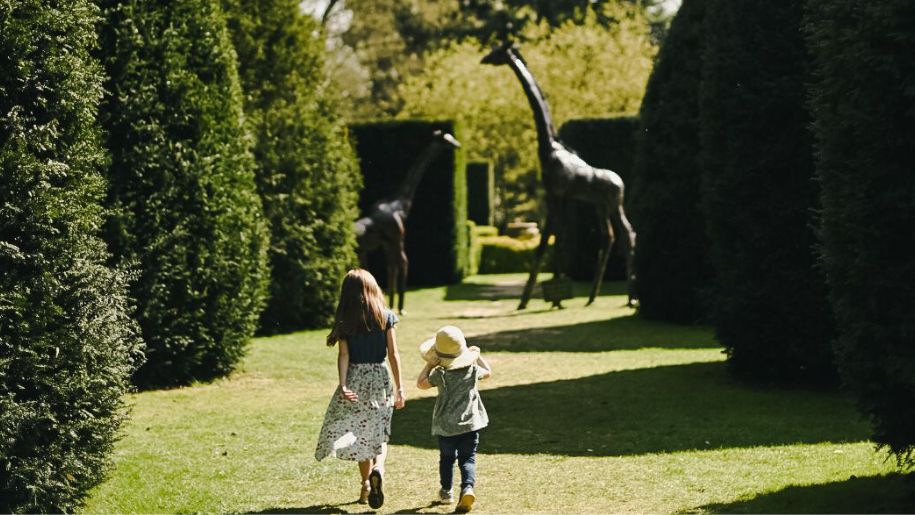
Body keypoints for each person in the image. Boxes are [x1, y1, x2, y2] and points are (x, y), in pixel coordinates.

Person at [315, 269, 406, 509]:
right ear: (373, 288)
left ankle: (366, 485)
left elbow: (343, 355)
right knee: (380, 431)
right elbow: (393, 354)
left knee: (361, 433)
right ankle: (379, 468)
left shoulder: (346, 321)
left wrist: (344, 384)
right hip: (380, 377)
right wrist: (400, 387)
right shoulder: (386, 317)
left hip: (356, 377)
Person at [416, 326, 491, 514]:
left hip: (446, 427)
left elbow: (421, 384)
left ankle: (446, 491)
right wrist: (477, 355)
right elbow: (488, 372)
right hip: (470, 424)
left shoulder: (440, 374)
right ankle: (467, 488)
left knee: (447, 459)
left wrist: (430, 365)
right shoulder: (473, 370)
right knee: (468, 458)